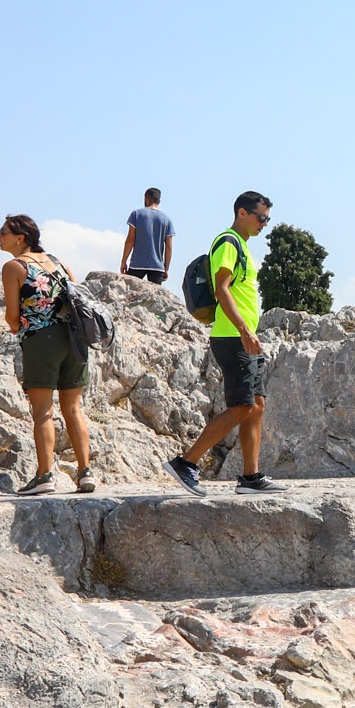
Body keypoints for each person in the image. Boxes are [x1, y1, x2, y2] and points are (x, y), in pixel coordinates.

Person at [165, 191, 286, 496]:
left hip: (245, 337)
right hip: (233, 336)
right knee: (242, 405)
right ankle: (186, 462)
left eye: (268, 219)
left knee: (256, 406)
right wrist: (245, 330)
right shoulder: (228, 242)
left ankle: (250, 477)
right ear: (242, 213)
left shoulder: (242, 245)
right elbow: (221, 289)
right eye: (261, 217)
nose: (265, 224)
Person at [0, 213, 94, 496]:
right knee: (74, 408)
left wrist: (21, 327)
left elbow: (12, 316)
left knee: (42, 412)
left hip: (42, 340)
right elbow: (80, 297)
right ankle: (85, 473)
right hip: (75, 340)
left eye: (3, 232)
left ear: (20, 237)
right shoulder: (58, 262)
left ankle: (44, 475)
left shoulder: (14, 267)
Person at [120, 187, 174, 283]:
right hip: (157, 267)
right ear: (159, 201)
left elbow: (130, 240)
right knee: (155, 297)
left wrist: (124, 261)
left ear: (146, 198)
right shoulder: (167, 220)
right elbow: (169, 247)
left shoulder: (136, 214)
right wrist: (166, 269)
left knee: (131, 295)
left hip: (137, 264)